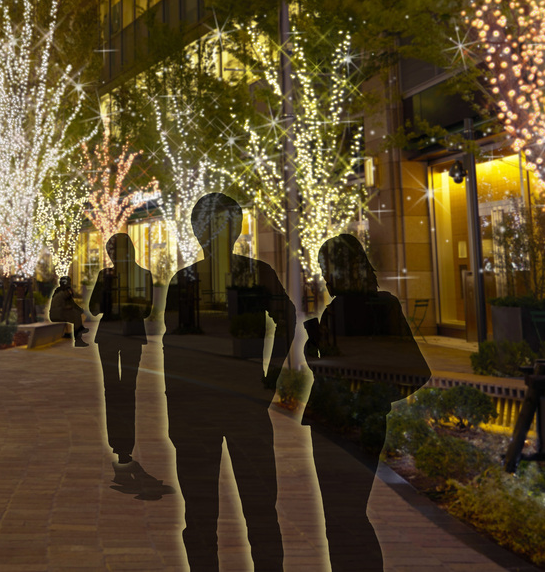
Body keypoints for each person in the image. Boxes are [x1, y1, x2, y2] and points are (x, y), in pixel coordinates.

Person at [163, 192, 295, 571]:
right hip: (227, 403)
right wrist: (270, 378)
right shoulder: (243, 275)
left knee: (237, 509)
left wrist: (271, 377)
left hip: (220, 405)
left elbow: (172, 349)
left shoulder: (191, 279)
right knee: (235, 510)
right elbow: (173, 349)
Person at [305, 233, 430, 571]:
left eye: (326, 271)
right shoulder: (385, 306)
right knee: (353, 510)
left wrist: (315, 357)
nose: (325, 279)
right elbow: (418, 372)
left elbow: (335, 373)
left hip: (334, 420)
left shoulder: (338, 312)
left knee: (338, 514)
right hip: (371, 419)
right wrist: (380, 398)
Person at [88, 233, 153, 472]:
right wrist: (105, 290)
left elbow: (146, 309)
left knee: (126, 389)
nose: (113, 255)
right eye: (110, 251)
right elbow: (93, 309)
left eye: (116, 250)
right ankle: (118, 444)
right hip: (109, 337)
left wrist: (127, 305)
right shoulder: (105, 276)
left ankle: (125, 444)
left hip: (129, 336)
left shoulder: (143, 275)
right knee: (113, 389)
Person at [48, 276, 86, 345]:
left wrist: (79, 309)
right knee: (76, 315)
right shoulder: (64, 292)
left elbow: (71, 303)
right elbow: (71, 302)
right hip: (58, 314)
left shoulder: (58, 290)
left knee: (76, 313)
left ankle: (72, 332)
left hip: (56, 313)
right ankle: (78, 339)